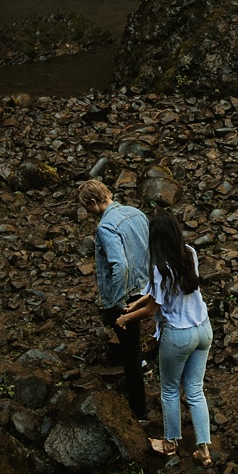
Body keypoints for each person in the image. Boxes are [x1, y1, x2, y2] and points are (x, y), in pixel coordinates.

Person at [118, 213, 214, 466]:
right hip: (203, 329)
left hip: (179, 333)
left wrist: (126, 319)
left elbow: (152, 310)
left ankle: (170, 443)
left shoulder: (159, 268)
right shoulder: (189, 253)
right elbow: (159, 293)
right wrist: (138, 300)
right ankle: (204, 450)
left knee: (170, 389)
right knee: (195, 390)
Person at [77, 178, 150, 421]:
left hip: (126, 294)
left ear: (94, 202)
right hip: (145, 288)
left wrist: (117, 303)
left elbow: (119, 265)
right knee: (133, 342)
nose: (88, 214)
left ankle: (139, 410)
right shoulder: (136, 213)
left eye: (87, 208)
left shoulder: (106, 227)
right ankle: (142, 366)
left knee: (128, 352)